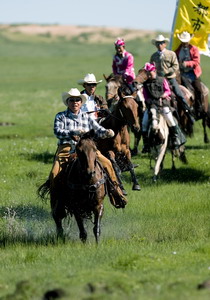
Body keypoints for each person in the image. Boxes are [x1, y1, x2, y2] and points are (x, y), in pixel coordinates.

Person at [50, 88, 127, 208]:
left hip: (88, 149)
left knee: (107, 164)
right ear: (68, 102)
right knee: (55, 173)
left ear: (81, 102)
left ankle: (117, 193)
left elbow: (97, 129)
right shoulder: (60, 116)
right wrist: (72, 132)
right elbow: (57, 132)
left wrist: (106, 132)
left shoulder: (87, 117)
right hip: (67, 148)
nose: (75, 102)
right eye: (72, 100)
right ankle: (57, 202)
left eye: (77, 100)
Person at [150, 34, 194, 124]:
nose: (159, 45)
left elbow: (175, 66)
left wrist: (166, 72)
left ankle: (188, 113)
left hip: (170, 79)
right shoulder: (153, 56)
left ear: (165, 44)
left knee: (179, 94)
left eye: (161, 43)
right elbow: (151, 67)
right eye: (158, 43)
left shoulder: (171, 54)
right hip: (158, 81)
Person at [141, 63, 186, 152]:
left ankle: (175, 138)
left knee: (169, 118)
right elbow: (145, 96)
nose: (149, 75)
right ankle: (146, 144)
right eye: (148, 73)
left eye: (151, 73)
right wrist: (149, 101)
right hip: (152, 105)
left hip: (163, 104)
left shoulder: (162, 80)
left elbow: (167, 91)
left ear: (155, 71)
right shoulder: (145, 84)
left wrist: (162, 96)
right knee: (144, 122)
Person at [175, 31, 204, 118]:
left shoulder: (194, 49)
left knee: (198, 89)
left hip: (193, 73)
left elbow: (197, 61)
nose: (184, 43)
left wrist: (187, 63)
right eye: (183, 41)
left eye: (185, 41)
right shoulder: (178, 49)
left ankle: (199, 107)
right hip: (182, 74)